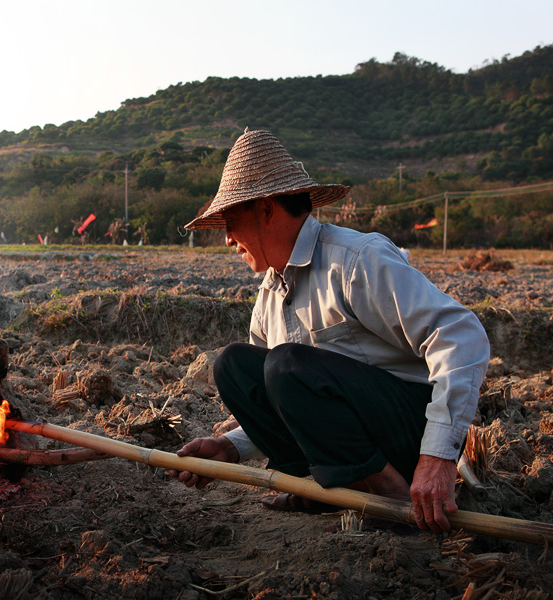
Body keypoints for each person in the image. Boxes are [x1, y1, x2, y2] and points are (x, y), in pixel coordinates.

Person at [169, 129, 490, 534]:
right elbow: (281, 399)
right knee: (234, 365)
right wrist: (230, 446)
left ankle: (390, 495)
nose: (228, 238)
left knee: (285, 363)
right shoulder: (270, 291)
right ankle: (330, 489)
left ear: (267, 210)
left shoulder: (355, 260)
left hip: (409, 432)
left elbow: (461, 334)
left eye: (231, 221)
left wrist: (438, 458)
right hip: (351, 440)